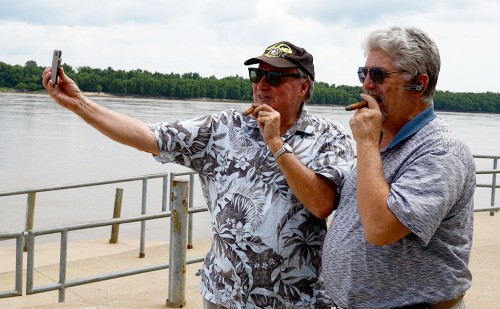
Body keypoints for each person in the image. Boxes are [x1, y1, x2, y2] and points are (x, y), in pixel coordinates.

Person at [42, 41, 354, 308]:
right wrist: (79, 104)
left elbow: (321, 203)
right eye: (257, 74)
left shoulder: (330, 138)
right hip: (224, 294)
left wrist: (275, 143)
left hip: (296, 300)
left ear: (304, 86)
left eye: (274, 77)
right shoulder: (221, 129)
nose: (261, 86)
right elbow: (147, 136)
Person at [322, 26, 476, 308]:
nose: (367, 84)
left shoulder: (441, 150)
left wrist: (366, 144)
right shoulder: (382, 139)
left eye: (378, 75)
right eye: (363, 73)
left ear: (418, 83)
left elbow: (381, 228)